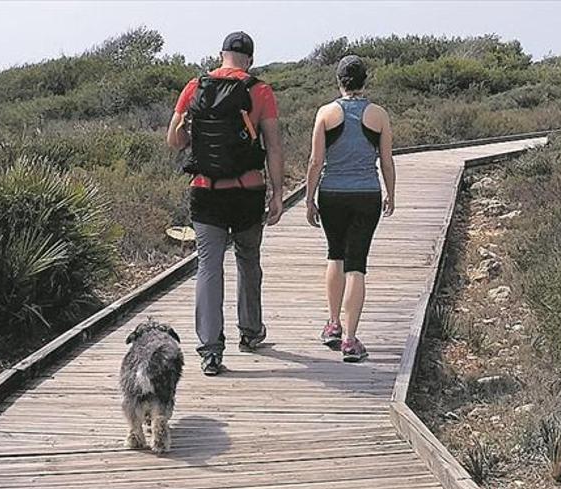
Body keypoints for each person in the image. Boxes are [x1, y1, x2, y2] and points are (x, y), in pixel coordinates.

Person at [166, 31, 285, 376]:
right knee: (248, 260)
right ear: (249, 59)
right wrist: (277, 194)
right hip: (247, 190)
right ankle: (250, 333)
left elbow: (175, 141)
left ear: (221, 55)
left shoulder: (194, 87)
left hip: (205, 190)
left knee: (208, 266)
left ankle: (210, 350)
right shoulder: (260, 90)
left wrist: (185, 127)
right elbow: (274, 146)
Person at [304, 55, 396, 363]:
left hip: (332, 193)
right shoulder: (379, 115)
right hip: (367, 194)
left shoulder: (326, 113)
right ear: (364, 80)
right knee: (357, 263)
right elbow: (386, 160)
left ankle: (332, 324)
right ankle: (351, 339)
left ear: (339, 80)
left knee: (335, 255)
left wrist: (308, 198)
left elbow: (316, 161)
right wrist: (391, 193)